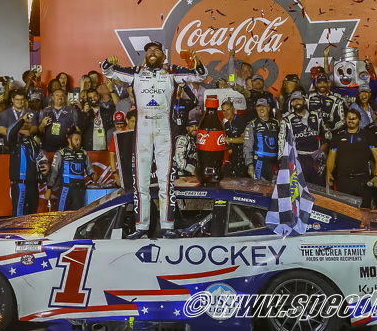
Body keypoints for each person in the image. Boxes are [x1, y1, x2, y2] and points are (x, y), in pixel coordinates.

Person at [101, 41, 206, 239]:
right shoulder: (136, 72)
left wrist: (196, 62)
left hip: (164, 131)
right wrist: (108, 62)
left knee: (166, 181)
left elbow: (199, 75)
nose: (152, 52)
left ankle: (168, 227)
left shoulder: (172, 72)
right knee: (140, 182)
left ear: (163, 56)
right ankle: (141, 228)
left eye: (156, 50)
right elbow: (109, 73)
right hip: (142, 130)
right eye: (149, 50)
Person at [327, 109, 377, 208]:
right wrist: (328, 173)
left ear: (360, 120)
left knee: (364, 211)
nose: (351, 120)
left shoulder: (368, 136)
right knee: (343, 211)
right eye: (349, 118)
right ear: (345, 120)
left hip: (363, 180)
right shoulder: (337, 137)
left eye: (354, 118)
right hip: (343, 180)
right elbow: (331, 158)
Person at [279, 91, 328, 185]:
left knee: (319, 189)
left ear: (304, 101)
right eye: (294, 100)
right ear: (291, 103)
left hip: (316, 159)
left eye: (299, 99)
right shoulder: (287, 120)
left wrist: (326, 144)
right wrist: (282, 160)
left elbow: (326, 133)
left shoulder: (317, 116)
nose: (297, 102)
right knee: (301, 189)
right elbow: (281, 140)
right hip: (298, 158)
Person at [7, 111, 49, 216]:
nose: (26, 123)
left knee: (33, 214)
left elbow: (40, 159)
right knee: (18, 214)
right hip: (21, 183)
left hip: (33, 184)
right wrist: (22, 119)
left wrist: (45, 168)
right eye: (24, 123)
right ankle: (16, 232)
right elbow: (10, 131)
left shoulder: (35, 142)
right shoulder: (15, 140)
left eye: (28, 122)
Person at [46, 127, 96, 211]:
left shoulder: (83, 153)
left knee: (78, 214)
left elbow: (89, 167)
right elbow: (54, 171)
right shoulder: (61, 153)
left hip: (80, 189)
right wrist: (49, 188)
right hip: (66, 188)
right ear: (69, 140)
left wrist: (93, 174)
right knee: (61, 215)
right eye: (76, 140)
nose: (78, 142)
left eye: (79, 140)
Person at [244, 98, 281, 181]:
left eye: (263, 106)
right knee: (259, 189)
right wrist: (250, 165)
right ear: (256, 109)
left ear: (268, 108)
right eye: (258, 107)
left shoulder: (277, 123)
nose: (261, 109)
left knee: (274, 190)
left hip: (274, 163)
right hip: (259, 162)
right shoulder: (252, 125)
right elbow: (247, 147)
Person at [221, 100, 247, 177]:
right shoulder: (226, 125)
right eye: (223, 110)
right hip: (233, 156)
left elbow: (243, 139)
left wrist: (228, 139)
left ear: (233, 109)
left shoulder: (240, 120)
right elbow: (228, 145)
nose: (226, 113)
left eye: (228, 109)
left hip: (244, 156)